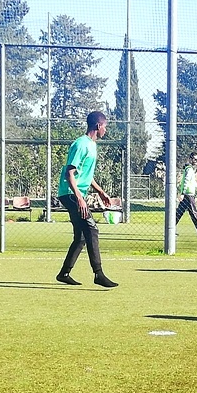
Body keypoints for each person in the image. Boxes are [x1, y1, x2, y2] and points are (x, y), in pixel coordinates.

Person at [55, 111, 118, 288]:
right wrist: (79, 199)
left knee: (82, 236)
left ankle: (64, 273)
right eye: (105, 126)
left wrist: (101, 192)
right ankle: (98, 274)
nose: (105, 130)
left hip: (75, 194)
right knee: (92, 229)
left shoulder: (92, 145)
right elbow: (69, 174)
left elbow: (86, 175)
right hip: (70, 194)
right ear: (98, 126)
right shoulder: (81, 144)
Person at [175, 152, 197, 236]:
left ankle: (170, 229)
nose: (196, 161)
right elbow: (186, 181)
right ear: (190, 159)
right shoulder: (189, 169)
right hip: (188, 195)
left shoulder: (190, 169)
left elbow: (193, 183)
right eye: (195, 159)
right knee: (194, 213)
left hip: (187, 194)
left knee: (179, 213)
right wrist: (183, 193)